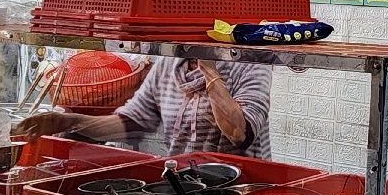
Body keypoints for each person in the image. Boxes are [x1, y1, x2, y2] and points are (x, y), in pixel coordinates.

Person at [17, 58, 271, 158]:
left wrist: (209, 70)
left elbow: (239, 133)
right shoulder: (169, 65)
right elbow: (132, 124)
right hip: (185, 187)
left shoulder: (250, 64)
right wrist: (66, 123)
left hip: (240, 191)